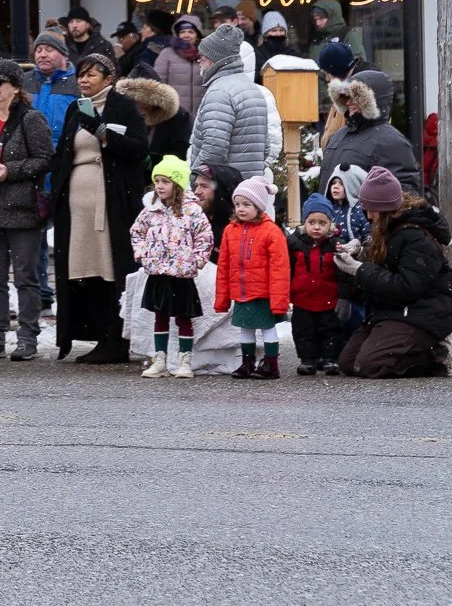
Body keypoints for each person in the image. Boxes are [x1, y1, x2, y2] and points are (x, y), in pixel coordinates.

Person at [48, 53, 150, 363]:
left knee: (110, 268)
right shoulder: (76, 108)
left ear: (109, 78)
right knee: (84, 270)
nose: (84, 79)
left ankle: (116, 338)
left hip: (111, 204)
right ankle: (95, 334)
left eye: (91, 74)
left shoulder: (123, 106)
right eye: (81, 74)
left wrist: (103, 132)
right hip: (77, 207)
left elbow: (139, 148)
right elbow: (64, 152)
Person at [0, 60, 53, 362]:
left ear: (16, 87)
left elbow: (44, 159)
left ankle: (28, 337)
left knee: (26, 276)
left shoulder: (30, 118)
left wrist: (10, 170)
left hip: (21, 207)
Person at [333, 167, 452, 377]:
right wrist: (359, 253)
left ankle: (435, 354)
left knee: (369, 365)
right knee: (348, 363)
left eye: (372, 210)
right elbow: (383, 264)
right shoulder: (386, 228)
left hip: (421, 314)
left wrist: (359, 269)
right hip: (390, 310)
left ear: (386, 209)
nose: (369, 216)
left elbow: (407, 286)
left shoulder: (417, 238)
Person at [132, 159, 213, 378]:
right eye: (157, 181)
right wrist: (142, 252)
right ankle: (160, 360)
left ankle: (185, 361)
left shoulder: (192, 211)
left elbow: (204, 237)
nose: (159, 186)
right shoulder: (151, 210)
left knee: (184, 316)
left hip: (182, 274)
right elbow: (137, 232)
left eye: (165, 181)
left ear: (177, 184)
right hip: (158, 272)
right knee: (160, 315)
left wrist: (196, 260)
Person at [214, 177, 291, 380]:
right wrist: (222, 298)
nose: (241, 209)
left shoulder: (271, 232)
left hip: (263, 293)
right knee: (245, 328)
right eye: (238, 204)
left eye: (247, 204)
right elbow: (224, 265)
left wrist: (279, 301)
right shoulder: (230, 230)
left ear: (259, 206)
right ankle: (247, 362)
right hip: (241, 292)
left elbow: (280, 268)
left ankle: (271, 364)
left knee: (267, 327)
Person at [187, 25, 273, 192]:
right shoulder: (251, 88)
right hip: (248, 191)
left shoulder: (219, 92)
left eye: (202, 57)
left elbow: (214, 147)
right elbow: (265, 147)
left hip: (224, 190)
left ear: (214, 59)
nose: (199, 61)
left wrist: (196, 179)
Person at [320, 69, 419, 185]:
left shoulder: (391, 142)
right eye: (347, 97)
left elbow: (403, 189)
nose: (348, 103)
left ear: (371, 100)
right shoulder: (338, 136)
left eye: (355, 98)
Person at [288, 194, 347, 375]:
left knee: (330, 331)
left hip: (329, 299)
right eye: (312, 222)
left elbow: (343, 275)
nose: (316, 227)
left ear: (330, 225)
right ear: (304, 223)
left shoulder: (335, 245)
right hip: (302, 299)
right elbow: (287, 270)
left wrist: (344, 297)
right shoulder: (294, 244)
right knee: (303, 331)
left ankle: (330, 358)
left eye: (322, 223)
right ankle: (308, 359)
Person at [152, 16, 210, 119]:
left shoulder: (206, 55)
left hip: (202, 114)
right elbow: (158, 83)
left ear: (198, 35)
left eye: (191, 32)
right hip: (175, 115)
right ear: (177, 35)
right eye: (182, 32)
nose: (186, 35)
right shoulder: (167, 54)